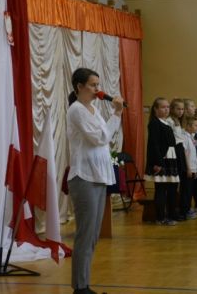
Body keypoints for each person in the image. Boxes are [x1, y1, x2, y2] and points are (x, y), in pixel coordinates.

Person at [66, 68, 124, 294]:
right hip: (84, 177)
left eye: (98, 85)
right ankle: (80, 288)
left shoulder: (94, 110)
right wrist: (116, 114)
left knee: (92, 235)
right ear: (79, 86)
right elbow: (99, 138)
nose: (97, 89)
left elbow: (105, 139)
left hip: (98, 176)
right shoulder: (77, 110)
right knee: (85, 234)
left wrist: (114, 116)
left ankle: (84, 285)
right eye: (92, 85)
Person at [145, 97, 180, 225]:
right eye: (163, 107)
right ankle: (160, 217)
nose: (166, 109)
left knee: (172, 189)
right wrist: (158, 163)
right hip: (162, 159)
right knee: (161, 189)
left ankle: (171, 214)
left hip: (170, 158)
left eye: (168, 107)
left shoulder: (166, 122)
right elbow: (154, 145)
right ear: (156, 109)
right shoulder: (154, 123)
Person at [165, 98, 189, 221]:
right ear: (172, 109)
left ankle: (178, 210)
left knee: (179, 183)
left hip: (180, 150)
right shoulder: (169, 121)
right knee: (173, 184)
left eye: (182, 109)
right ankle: (171, 212)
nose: (180, 111)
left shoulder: (178, 121)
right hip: (174, 151)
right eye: (178, 109)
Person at [181, 115, 197, 219]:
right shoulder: (184, 137)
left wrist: (195, 169)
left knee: (190, 191)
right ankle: (184, 211)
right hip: (188, 169)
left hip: (193, 168)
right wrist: (188, 168)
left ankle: (188, 209)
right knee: (186, 191)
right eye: (195, 125)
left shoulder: (191, 136)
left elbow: (193, 155)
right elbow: (185, 153)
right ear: (188, 126)